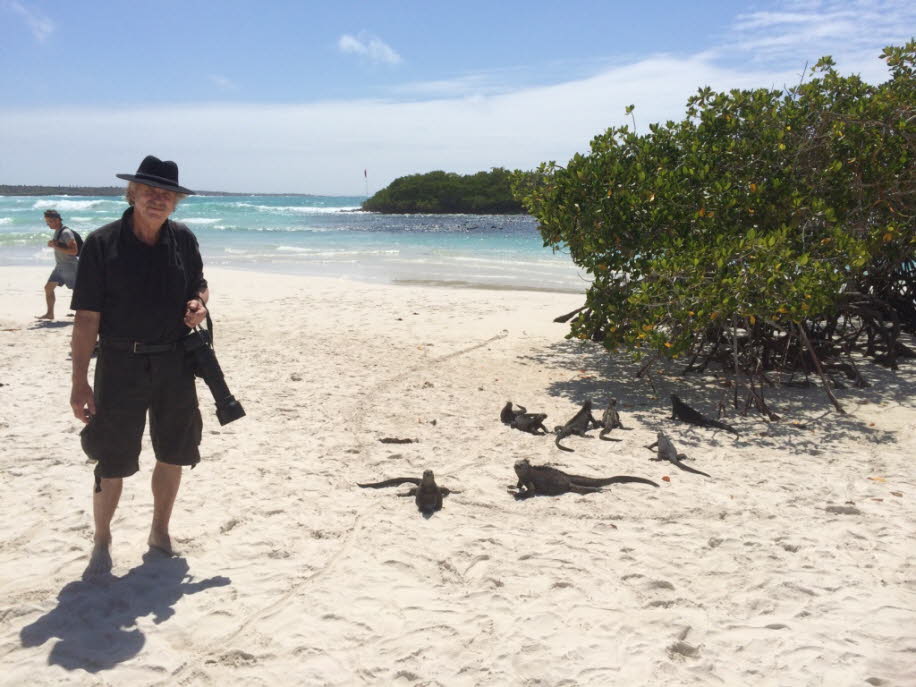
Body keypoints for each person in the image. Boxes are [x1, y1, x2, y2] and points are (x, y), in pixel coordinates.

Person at [70, 155, 209, 576]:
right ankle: (102, 538)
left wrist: (198, 304)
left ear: (175, 202)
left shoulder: (183, 240)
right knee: (112, 458)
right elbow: (86, 318)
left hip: (174, 364)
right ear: (132, 193)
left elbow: (200, 285)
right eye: (149, 191)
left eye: (166, 194)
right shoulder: (102, 242)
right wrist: (79, 382)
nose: (157, 199)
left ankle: (159, 531)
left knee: (174, 452)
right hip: (118, 365)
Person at [36, 209, 79, 320]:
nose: (48, 224)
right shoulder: (58, 231)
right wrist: (55, 244)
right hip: (60, 266)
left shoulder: (66, 232)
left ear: (57, 220)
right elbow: (62, 246)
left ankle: (84, 315)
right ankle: (50, 314)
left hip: (70, 267)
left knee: (78, 292)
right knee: (48, 288)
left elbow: (74, 251)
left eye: (49, 221)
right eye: (47, 222)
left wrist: (56, 246)